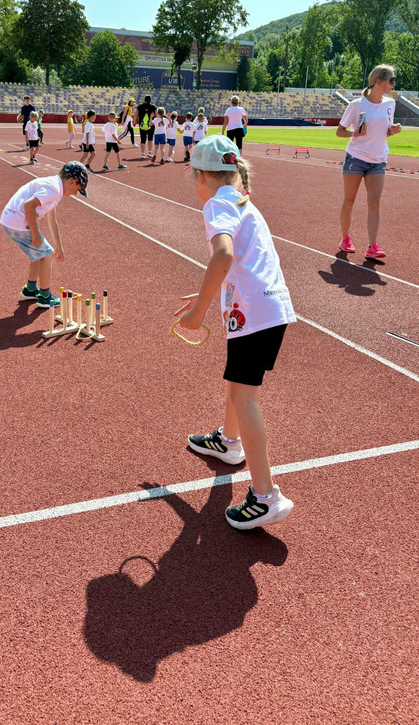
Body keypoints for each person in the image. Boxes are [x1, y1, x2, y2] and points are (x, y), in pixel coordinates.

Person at [175, 135, 296, 530]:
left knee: (245, 398)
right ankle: (229, 443)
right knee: (237, 385)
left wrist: (198, 311)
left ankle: (265, 496)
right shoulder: (242, 198)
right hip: (266, 306)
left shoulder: (218, 202)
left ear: (200, 175)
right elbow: (241, 262)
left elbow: (223, 254)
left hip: (255, 312)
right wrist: (212, 291)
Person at [0, 162, 90, 309]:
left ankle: (30, 289)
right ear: (72, 182)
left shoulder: (56, 188)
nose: (75, 194)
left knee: (38, 253)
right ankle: (45, 296)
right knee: (46, 254)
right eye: (77, 189)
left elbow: (52, 220)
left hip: (11, 221)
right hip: (17, 223)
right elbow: (28, 206)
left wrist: (59, 247)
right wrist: (35, 233)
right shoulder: (53, 189)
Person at [335, 64, 402, 260]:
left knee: (375, 203)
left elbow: (385, 130)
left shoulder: (390, 104)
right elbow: (340, 131)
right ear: (378, 81)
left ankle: (372, 245)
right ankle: (345, 239)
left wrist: (393, 130)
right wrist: (355, 133)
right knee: (349, 201)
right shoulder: (356, 104)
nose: (393, 84)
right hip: (355, 158)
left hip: (378, 160)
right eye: (391, 80)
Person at [136, 94, 157, 159]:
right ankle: (149, 152)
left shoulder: (140, 107)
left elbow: (135, 115)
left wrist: (135, 121)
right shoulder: (153, 107)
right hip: (151, 125)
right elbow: (156, 115)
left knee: (143, 139)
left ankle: (142, 154)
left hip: (142, 125)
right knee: (150, 139)